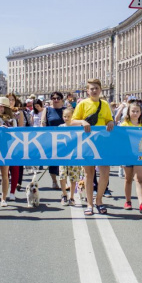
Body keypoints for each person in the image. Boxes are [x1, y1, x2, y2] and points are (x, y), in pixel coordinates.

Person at [70, 78, 115, 216]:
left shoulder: (105, 104)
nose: (94, 90)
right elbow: (72, 121)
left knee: (105, 172)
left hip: (102, 142)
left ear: (100, 90)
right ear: (87, 91)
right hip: (87, 143)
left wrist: (111, 122)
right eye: (91, 88)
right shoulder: (83, 104)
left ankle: (99, 200)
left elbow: (109, 119)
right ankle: (89, 204)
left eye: (96, 88)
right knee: (89, 174)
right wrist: (82, 121)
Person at [119, 100, 142, 214]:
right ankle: (128, 201)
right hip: (127, 154)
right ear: (128, 112)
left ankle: (141, 203)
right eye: (133, 111)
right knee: (128, 179)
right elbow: (121, 139)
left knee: (140, 179)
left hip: (140, 154)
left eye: (137, 111)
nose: (135, 113)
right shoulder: (124, 125)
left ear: (141, 113)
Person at [41, 91, 66, 190]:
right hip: (50, 139)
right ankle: (54, 181)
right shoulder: (47, 110)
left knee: (64, 161)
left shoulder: (65, 110)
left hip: (64, 139)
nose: (55, 100)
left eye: (58, 98)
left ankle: (64, 182)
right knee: (52, 161)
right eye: (53, 98)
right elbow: (43, 122)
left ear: (61, 100)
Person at [58, 107, 82, 205]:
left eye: (68, 116)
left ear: (72, 117)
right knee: (62, 176)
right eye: (65, 116)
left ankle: (72, 197)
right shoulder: (60, 127)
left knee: (73, 178)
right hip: (63, 156)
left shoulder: (77, 127)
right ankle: (64, 194)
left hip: (74, 156)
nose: (66, 118)